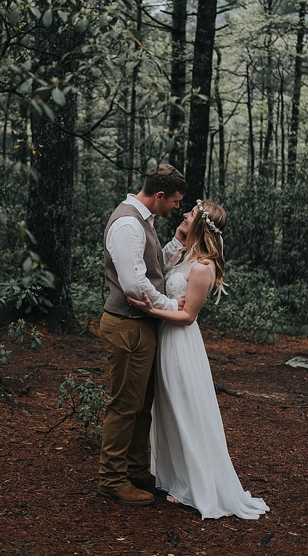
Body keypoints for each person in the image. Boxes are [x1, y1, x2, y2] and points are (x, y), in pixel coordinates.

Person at [127, 199, 269, 520]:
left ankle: (195, 486)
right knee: (166, 410)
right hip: (164, 340)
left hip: (180, 345)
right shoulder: (184, 255)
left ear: (202, 222)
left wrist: (151, 309)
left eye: (190, 213)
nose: (184, 214)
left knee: (184, 410)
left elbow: (189, 316)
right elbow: (157, 271)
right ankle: (175, 479)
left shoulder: (204, 266)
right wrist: (178, 236)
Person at [97, 163, 188, 507]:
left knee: (142, 406)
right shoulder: (126, 224)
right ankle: (112, 479)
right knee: (125, 406)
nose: (177, 208)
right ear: (159, 195)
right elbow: (134, 284)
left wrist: (176, 243)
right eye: (175, 202)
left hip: (141, 325)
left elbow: (151, 269)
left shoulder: (142, 222)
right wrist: (171, 306)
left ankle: (135, 471)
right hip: (127, 325)